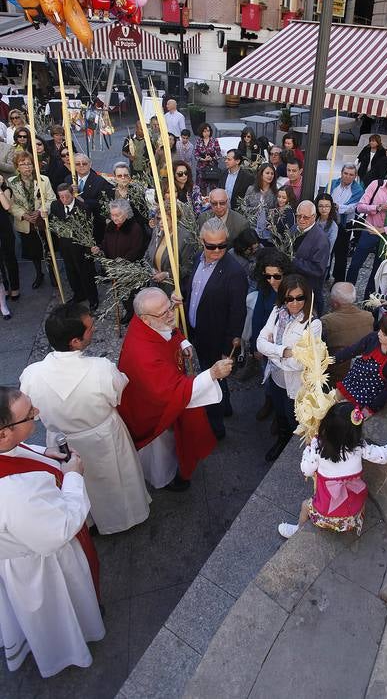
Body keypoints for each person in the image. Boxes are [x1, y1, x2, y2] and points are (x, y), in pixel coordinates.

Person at [0, 386, 105, 678]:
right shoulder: (14, 494)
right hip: (40, 564)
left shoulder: (5, 447)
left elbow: (16, 453)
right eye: (29, 415)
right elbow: (60, 528)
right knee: (59, 610)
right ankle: (67, 648)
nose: (37, 414)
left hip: (16, 556)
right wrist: (73, 475)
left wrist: (44, 454)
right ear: (4, 432)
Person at [19, 304, 150, 534]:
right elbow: (117, 396)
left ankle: (87, 521)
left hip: (62, 444)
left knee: (78, 485)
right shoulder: (101, 369)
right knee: (116, 482)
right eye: (90, 328)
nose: (95, 328)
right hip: (104, 437)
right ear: (75, 342)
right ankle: (122, 519)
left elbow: (34, 415)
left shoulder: (31, 374)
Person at [119, 288, 230, 491]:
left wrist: (182, 341)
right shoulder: (143, 355)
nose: (171, 314)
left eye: (170, 307)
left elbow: (168, 329)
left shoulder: (149, 322)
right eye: (164, 312)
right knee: (159, 453)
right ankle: (163, 479)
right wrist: (211, 374)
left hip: (162, 392)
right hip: (152, 411)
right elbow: (174, 391)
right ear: (145, 319)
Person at [277, 402, 387, 538]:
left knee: (305, 505)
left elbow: (306, 471)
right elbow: (382, 455)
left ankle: (298, 530)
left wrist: (308, 449)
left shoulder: (318, 449)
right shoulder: (359, 447)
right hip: (353, 516)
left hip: (326, 517)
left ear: (326, 426)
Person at [185, 218, 247, 440]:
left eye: (223, 245)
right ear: (202, 242)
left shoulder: (234, 272)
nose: (218, 250)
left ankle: (215, 428)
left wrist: (227, 348)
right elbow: (192, 290)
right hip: (198, 332)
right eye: (211, 246)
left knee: (211, 381)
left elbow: (238, 313)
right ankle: (226, 406)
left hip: (217, 338)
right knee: (216, 379)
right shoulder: (197, 260)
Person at [257, 274, 321, 462]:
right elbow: (260, 342)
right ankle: (281, 441)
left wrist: (272, 352)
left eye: (299, 298)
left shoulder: (313, 324)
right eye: (289, 298)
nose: (294, 303)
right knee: (280, 414)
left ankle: (294, 454)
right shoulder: (277, 312)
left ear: (307, 297)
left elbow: (300, 362)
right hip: (277, 377)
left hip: (296, 385)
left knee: (293, 418)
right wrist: (284, 351)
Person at [346, 156, 387, 300]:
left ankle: (369, 301)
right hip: (369, 231)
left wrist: (384, 230)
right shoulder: (376, 184)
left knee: (378, 271)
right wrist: (378, 207)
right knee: (355, 265)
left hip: (386, 236)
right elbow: (360, 206)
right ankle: (346, 296)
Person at [333, 309, 387, 412]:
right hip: (351, 381)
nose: (379, 333)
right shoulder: (373, 339)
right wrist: (331, 360)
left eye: (385, 334)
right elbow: (352, 351)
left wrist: (371, 409)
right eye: (380, 329)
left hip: (365, 396)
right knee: (331, 403)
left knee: (347, 416)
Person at [243, 247, 293, 389]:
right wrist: (255, 346)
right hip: (267, 346)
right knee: (269, 380)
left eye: (276, 276)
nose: (271, 281)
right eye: (268, 276)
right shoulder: (265, 288)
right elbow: (257, 317)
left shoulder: (294, 291)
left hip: (287, 349)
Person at [9, 151, 55, 289]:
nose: (27, 167)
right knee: (33, 252)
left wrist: (40, 212)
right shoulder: (12, 182)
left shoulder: (43, 180)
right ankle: (38, 274)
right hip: (25, 223)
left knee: (48, 249)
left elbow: (51, 199)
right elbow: (11, 204)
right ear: (17, 167)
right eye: (23, 164)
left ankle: (53, 274)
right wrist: (23, 214)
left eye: (29, 164)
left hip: (41, 221)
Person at [49, 183, 99, 310]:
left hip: (81, 247)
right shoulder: (55, 206)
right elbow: (53, 222)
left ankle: (93, 298)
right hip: (65, 247)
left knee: (86, 274)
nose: (64, 199)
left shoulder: (83, 207)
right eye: (61, 197)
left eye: (67, 196)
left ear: (72, 194)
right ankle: (79, 294)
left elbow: (88, 229)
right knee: (71, 272)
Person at [321, 282, 374, 383]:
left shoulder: (326, 322)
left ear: (335, 303)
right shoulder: (368, 317)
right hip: (361, 373)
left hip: (335, 377)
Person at [145, 203, 196, 293]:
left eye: (165, 219)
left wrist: (167, 274)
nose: (160, 222)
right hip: (155, 285)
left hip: (172, 289)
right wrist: (152, 270)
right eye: (159, 218)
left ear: (174, 219)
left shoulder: (185, 237)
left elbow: (187, 267)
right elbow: (148, 254)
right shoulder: (157, 230)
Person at [292, 200, 331, 315]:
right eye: (299, 216)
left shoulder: (321, 239)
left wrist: (293, 261)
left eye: (306, 217)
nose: (301, 220)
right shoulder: (294, 229)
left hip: (308, 288)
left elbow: (318, 269)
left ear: (314, 217)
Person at [67, 153, 114, 243]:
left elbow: (104, 202)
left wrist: (84, 201)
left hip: (94, 224)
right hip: (75, 225)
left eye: (84, 163)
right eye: (77, 164)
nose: (81, 166)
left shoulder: (100, 181)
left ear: (90, 164)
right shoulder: (69, 180)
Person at [329, 163, 364, 283]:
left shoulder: (358, 190)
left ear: (355, 176)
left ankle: (338, 280)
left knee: (341, 254)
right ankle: (325, 275)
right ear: (341, 173)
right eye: (346, 173)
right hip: (329, 222)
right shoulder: (333, 183)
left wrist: (338, 207)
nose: (348, 176)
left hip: (344, 225)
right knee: (327, 250)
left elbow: (354, 207)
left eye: (351, 175)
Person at [243, 162, 278, 240]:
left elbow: (276, 211)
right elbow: (243, 207)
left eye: (272, 174)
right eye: (267, 173)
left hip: (267, 230)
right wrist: (256, 209)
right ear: (261, 174)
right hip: (251, 228)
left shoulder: (275, 192)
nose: (270, 176)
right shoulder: (251, 189)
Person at [0, 173, 19, 302]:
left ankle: (15, 287)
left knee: (9, 258)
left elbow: (6, 206)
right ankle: (5, 287)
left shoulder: (6, 190)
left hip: (4, 228)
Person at [194, 123, 221, 193]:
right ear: (201, 132)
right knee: (202, 188)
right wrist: (203, 159)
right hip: (201, 167)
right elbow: (195, 153)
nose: (207, 133)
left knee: (213, 187)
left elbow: (219, 153)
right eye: (205, 131)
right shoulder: (198, 141)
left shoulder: (214, 141)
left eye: (208, 131)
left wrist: (212, 158)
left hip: (212, 166)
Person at [316, 192, 338, 268]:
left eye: (327, 206)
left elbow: (329, 248)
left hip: (322, 261)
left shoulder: (333, 226)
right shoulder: (314, 220)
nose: (324, 209)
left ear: (331, 207)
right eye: (321, 206)